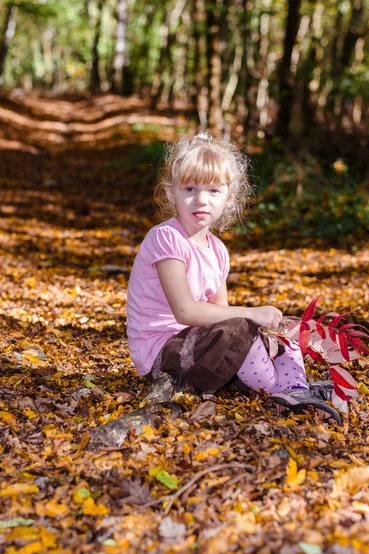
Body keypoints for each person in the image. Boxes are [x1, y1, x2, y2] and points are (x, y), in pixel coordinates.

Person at [126, 133, 341, 424]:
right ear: (170, 192)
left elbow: (221, 315)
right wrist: (251, 317)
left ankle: (295, 388)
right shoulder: (166, 238)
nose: (200, 199)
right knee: (241, 329)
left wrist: (263, 330)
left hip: (196, 343)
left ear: (229, 197)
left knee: (284, 332)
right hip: (163, 351)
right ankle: (284, 390)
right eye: (189, 188)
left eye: (213, 190)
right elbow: (186, 311)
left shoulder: (218, 251)